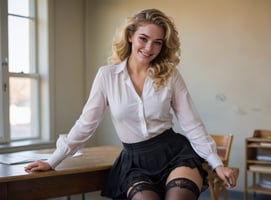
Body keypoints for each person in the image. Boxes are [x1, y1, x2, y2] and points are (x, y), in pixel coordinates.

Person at [25, 8, 236, 200]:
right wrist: (52, 161)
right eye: (143, 39)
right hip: (136, 162)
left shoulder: (170, 75)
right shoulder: (107, 76)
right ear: (130, 36)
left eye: (157, 42)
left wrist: (217, 164)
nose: (149, 48)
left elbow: (192, 123)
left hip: (174, 153)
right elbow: (85, 124)